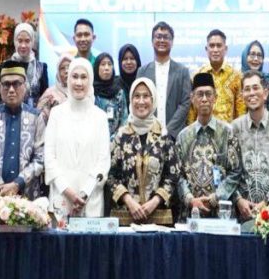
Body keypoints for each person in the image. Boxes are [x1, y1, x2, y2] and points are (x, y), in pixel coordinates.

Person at [108, 77, 180, 226]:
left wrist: (155, 201)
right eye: (137, 96)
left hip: (158, 219)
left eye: (146, 96)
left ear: (153, 100)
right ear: (130, 100)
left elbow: (173, 175)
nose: (141, 101)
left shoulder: (163, 136)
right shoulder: (121, 136)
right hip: (125, 218)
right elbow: (110, 175)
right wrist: (128, 201)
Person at [45, 58, 111, 217]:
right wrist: (68, 192)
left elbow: (103, 161)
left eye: (83, 77)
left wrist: (83, 194)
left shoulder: (100, 117)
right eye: (74, 77)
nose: (79, 82)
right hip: (61, 198)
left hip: (90, 201)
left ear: (91, 80)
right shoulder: (56, 114)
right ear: (68, 79)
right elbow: (49, 157)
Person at [0, 61, 47, 201]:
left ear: (25, 86)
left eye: (16, 84)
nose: (11, 90)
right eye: (6, 84)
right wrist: (2, 187)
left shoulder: (36, 117)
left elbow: (40, 158)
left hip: (27, 198)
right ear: (0, 87)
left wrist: (17, 183)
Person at [176, 73, 243, 221]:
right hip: (191, 213)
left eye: (208, 94)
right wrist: (190, 199)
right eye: (200, 94)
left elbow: (236, 171)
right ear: (192, 99)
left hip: (222, 212)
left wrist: (216, 197)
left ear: (215, 98)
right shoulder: (183, 136)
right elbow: (178, 175)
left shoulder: (227, 132)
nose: (204, 99)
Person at [232, 70, 269, 220]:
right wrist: (238, 200)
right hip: (242, 211)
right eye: (247, 89)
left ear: (265, 93)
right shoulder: (234, 127)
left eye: (255, 88)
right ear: (242, 95)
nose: (251, 93)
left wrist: (267, 201)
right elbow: (228, 169)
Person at [139, 22, 192, 139]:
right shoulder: (142, 71)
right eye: (158, 37)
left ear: (172, 42)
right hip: (147, 134)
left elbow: (185, 103)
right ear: (152, 41)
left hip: (175, 136)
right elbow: (138, 102)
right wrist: (152, 129)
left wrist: (169, 130)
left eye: (166, 37)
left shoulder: (182, 71)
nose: (162, 40)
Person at [188, 29, 245, 124]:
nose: (215, 50)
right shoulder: (196, 76)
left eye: (219, 46)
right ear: (206, 49)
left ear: (225, 49)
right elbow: (192, 111)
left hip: (228, 131)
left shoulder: (236, 76)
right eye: (212, 46)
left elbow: (241, 111)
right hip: (203, 131)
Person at [11, 23, 48, 107]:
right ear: (14, 41)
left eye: (27, 41)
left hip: (35, 113)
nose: (23, 45)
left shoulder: (41, 67)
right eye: (20, 41)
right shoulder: (6, 66)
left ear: (32, 42)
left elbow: (45, 98)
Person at [241, 40, 269, 114]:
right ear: (245, 56)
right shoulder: (237, 80)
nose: (256, 59)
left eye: (259, 55)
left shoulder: (268, 81)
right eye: (252, 54)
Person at [93, 53, 127, 137]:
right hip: (94, 139)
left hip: (116, 140)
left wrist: (115, 138)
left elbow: (124, 119)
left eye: (109, 64)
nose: (106, 68)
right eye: (103, 64)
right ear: (96, 68)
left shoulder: (119, 92)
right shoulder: (91, 92)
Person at [38, 54, 72, 122]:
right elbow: (39, 116)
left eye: (69, 67)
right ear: (58, 73)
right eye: (62, 68)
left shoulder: (81, 91)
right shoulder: (50, 93)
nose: (66, 71)